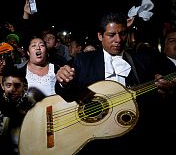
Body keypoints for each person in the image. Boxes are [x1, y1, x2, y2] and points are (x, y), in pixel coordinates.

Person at [56, 11, 176, 154]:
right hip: (94, 138)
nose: (118, 39)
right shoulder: (83, 60)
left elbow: (153, 101)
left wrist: (165, 91)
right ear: (100, 36)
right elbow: (67, 95)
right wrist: (63, 81)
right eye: (112, 35)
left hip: (131, 137)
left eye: (122, 34)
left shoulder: (142, 61)